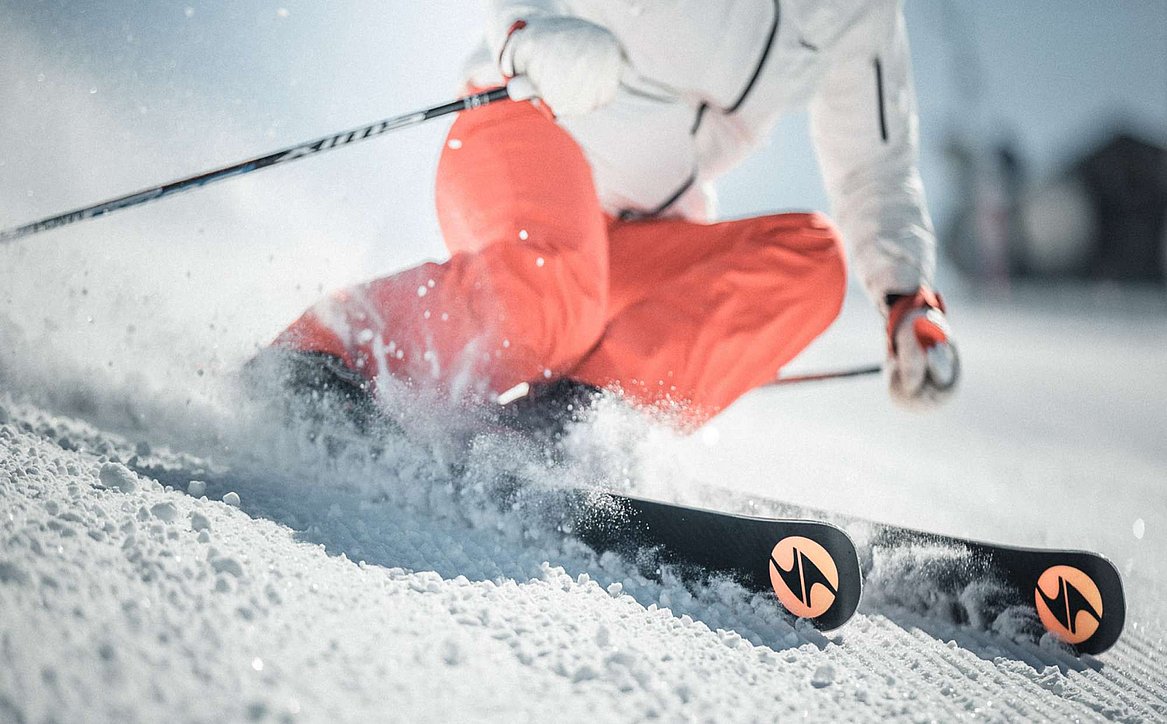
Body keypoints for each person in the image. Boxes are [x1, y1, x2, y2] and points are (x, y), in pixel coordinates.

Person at [267, 0, 959, 434]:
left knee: (811, 264)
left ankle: (569, 425)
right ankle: (321, 357)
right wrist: (529, 31)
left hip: (638, 224)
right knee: (551, 301)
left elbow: (875, 163)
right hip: (527, 121)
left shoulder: (860, 12)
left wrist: (906, 298)